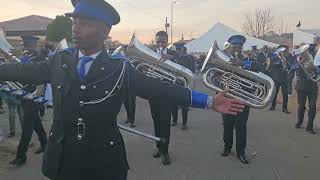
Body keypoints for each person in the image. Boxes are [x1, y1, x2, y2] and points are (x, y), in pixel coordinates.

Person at [0, 0, 244, 179]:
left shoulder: (120, 68)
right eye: (75, 22)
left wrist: (209, 101)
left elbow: (159, 89)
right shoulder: (59, 60)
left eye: (84, 24)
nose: (75, 29)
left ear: (105, 31)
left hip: (104, 163)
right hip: (61, 159)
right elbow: (21, 72)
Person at [221, 35, 263, 165]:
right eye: (235, 46)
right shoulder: (224, 60)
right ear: (230, 47)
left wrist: (244, 63)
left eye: (240, 46)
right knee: (227, 124)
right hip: (227, 97)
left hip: (243, 98)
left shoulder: (248, 60)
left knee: (241, 126)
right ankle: (227, 147)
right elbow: (214, 74)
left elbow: (259, 67)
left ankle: (241, 152)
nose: (237, 49)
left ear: (242, 47)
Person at [8, 35, 48, 167]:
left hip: (34, 96)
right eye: (25, 44)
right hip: (25, 94)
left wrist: (37, 95)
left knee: (27, 127)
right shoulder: (26, 55)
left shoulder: (39, 57)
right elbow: (20, 70)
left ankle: (21, 156)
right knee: (35, 122)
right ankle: (45, 143)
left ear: (34, 44)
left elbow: (38, 74)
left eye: (28, 44)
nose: (26, 46)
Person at [149, 30, 177, 165]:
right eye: (158, 41)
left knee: (165, 123)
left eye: (163, 41)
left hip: (167, 93)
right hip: (153, 92)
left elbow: (185, 67)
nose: (160, 44)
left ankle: (165, 152)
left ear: (167, 42)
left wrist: (172, 60)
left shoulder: (174, 54)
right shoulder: (150, 54)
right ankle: (159, 147)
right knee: (156, 121)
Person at [293, 45, 319, 134]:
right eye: (304, 51)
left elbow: (317, 70)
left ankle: (310, 126)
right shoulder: (298, 60)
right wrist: (300, 64)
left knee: (312, 107)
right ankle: (300, 121)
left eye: (306, 51)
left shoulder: (314, 58)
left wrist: (315, 68)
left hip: (312, 85)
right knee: (301, 106)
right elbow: (293, 68)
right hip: (302, 86)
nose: (306, 53)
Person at [170, 43, 195, 130]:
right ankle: (174, 120)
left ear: (182, 49)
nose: (177, 51)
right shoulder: (172, 58)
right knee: (173, 103)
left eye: (179, 49)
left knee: (184, 104)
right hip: (174, 82)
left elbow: (192, 70)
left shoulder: (188, 59)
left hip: (184, 83)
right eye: (176, 49)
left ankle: (184, 123)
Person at [268, 45, 290, 113]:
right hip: (277, 78)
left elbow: (289, 67)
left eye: (284, 51)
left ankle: (285, 108)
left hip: (284, 78)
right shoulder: (274, 57)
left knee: (285, 94)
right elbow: (272, 65)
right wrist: (281, 60)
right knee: (275, 93)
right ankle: (273, 106)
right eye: (282, 51)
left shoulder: (286, 58)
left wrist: (286, 62)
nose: (283, 52)